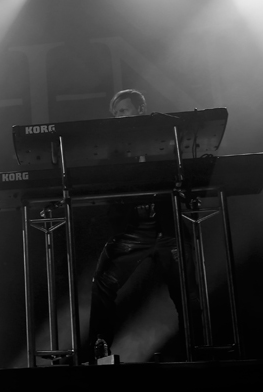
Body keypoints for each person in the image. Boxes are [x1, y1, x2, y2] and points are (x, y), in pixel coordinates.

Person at [85, 89, 199, 363]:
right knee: (103, 283)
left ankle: (195, 347)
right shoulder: (113, 150)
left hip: (167, 226)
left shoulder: (167, 137)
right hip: (132, 230)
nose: (119, 117)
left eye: (124, 111)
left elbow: (184, 169)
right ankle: (100, 350)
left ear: (140, 110)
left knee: (186, 289)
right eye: (115, 114)